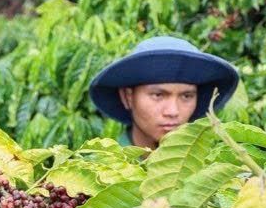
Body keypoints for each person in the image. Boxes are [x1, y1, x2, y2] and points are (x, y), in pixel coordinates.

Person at [89, 36, 240, 148]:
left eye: (187, 96)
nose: (173, 111)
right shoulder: (96, 174)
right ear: (128, 97)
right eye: (158, 95)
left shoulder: (216, 173)